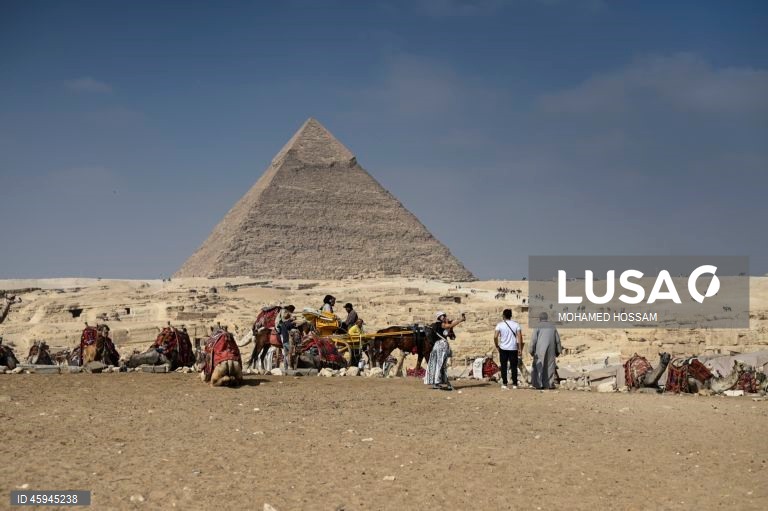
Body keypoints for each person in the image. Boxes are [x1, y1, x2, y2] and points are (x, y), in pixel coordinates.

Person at [425, 311, 466, 391]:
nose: (444, 317)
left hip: (439, 345)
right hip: (441, 345)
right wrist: (460, 320)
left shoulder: (438, 325)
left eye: (444, 316)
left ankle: (441, 382)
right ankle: (437, 382)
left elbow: (450, 324)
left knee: (441, 365)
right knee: (440, 364)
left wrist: (458, 319)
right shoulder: (439, 324)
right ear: (439, 317)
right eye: (443, 316)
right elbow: (450, 325)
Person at [529, 312, 562, 389]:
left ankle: (538, 384)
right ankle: (549, 384)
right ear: (547, 318)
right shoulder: (552, 326)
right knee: (550, 366)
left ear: (540, 319)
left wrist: (531, 350)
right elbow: (557, 340)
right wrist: (558, 351)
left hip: (540, 349)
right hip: (551, 349)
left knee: (538, 366)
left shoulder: (537, 326)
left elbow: (533, 340)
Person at [494, 309, 523, 390]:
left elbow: (495, 336)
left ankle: (504, 383)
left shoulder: (499, 325)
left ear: (503, 315)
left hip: (503, 348)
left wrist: (497, 345)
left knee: (503, 366)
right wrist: (520, 348)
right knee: (514, 366)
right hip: (513, 348)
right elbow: (520, 337)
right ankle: (514, 384)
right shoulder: (516, 324)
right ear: (511, 315)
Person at [276, 305, 296, 371]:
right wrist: (293, 321)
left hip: (284, 341)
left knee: (285, 355)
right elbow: (292, 326)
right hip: (287, 341)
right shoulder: (288, 323)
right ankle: (290, 367)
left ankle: (285, 367)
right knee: (290, 354)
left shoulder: (281, 325)